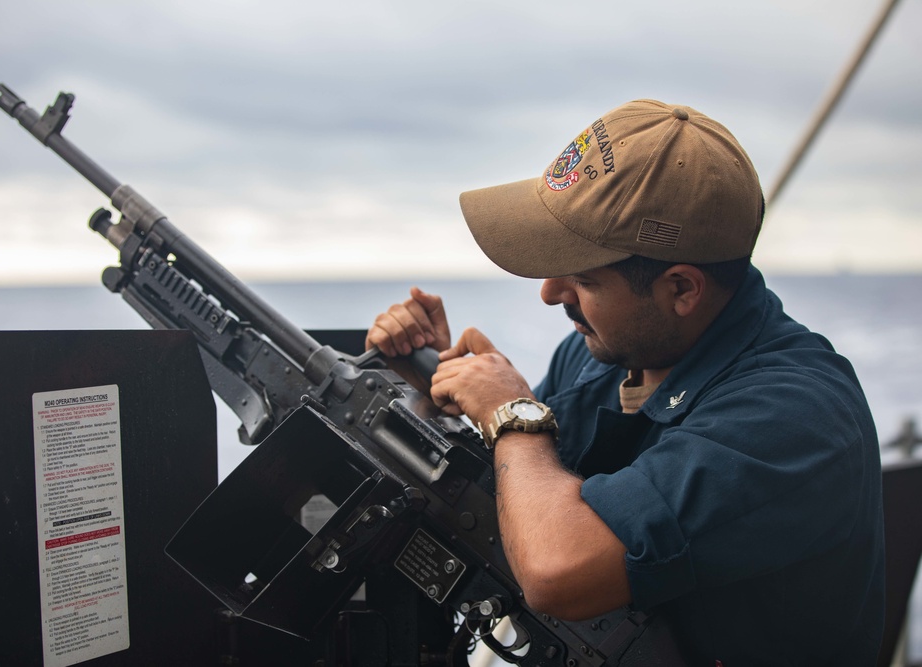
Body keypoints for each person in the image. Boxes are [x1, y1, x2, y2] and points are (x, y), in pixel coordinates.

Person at [366, 99, 884, 665]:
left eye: (582, 278)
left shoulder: (794, 415)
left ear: (681, 289)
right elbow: (527, 498)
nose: (549, 293)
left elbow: (557, 569)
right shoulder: (601, 353)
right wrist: (440, 389)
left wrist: (513, 412)